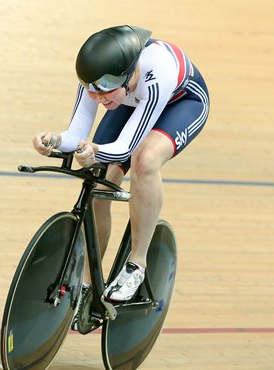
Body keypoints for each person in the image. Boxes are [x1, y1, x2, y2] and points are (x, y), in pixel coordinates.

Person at [32, 25, 209, 306]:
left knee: (145, 159)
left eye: (105, 93)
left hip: (181, 104)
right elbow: (76, 134)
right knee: (99, 181)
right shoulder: (98, 80)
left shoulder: (157, 72)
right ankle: (89, 285)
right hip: (130, 102)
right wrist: (54, 140)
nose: (99, 99)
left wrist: (96, 151)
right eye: (93, 93)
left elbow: (127, 147)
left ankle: (136, 264)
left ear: (127, 76)